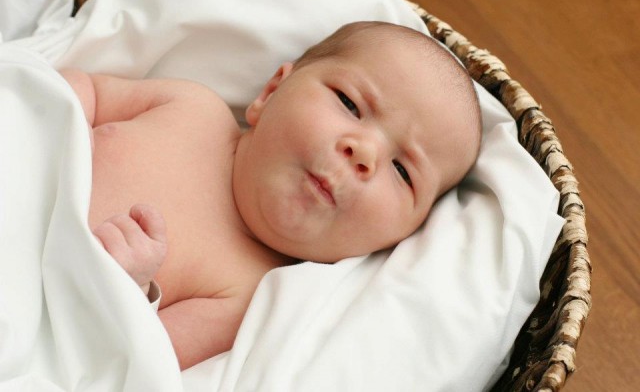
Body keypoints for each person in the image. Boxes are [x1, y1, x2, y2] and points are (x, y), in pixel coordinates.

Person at [59, 21, 482, 370]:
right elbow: (83, 89)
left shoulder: (244, 300)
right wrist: (61, 121)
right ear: (271, 92)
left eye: (403, 171)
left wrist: (129, 289)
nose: (365, 153)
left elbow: (128, 362)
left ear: (404, 236)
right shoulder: (190, 106)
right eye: (350, 104)